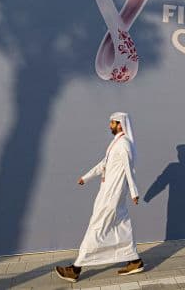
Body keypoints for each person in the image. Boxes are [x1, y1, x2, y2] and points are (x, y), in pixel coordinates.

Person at [55, 112, 144, 282]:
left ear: (120, 124)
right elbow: (104, 164)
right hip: (110, 193)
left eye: (112, 123)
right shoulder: (117, 143)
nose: (110, 125)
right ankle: (135, 261)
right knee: (121, 226)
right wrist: (86, 177)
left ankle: (76, 268)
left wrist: (134, 192)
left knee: (96, 227)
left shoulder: (123, 144)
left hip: (111, 195)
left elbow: (129, 169)